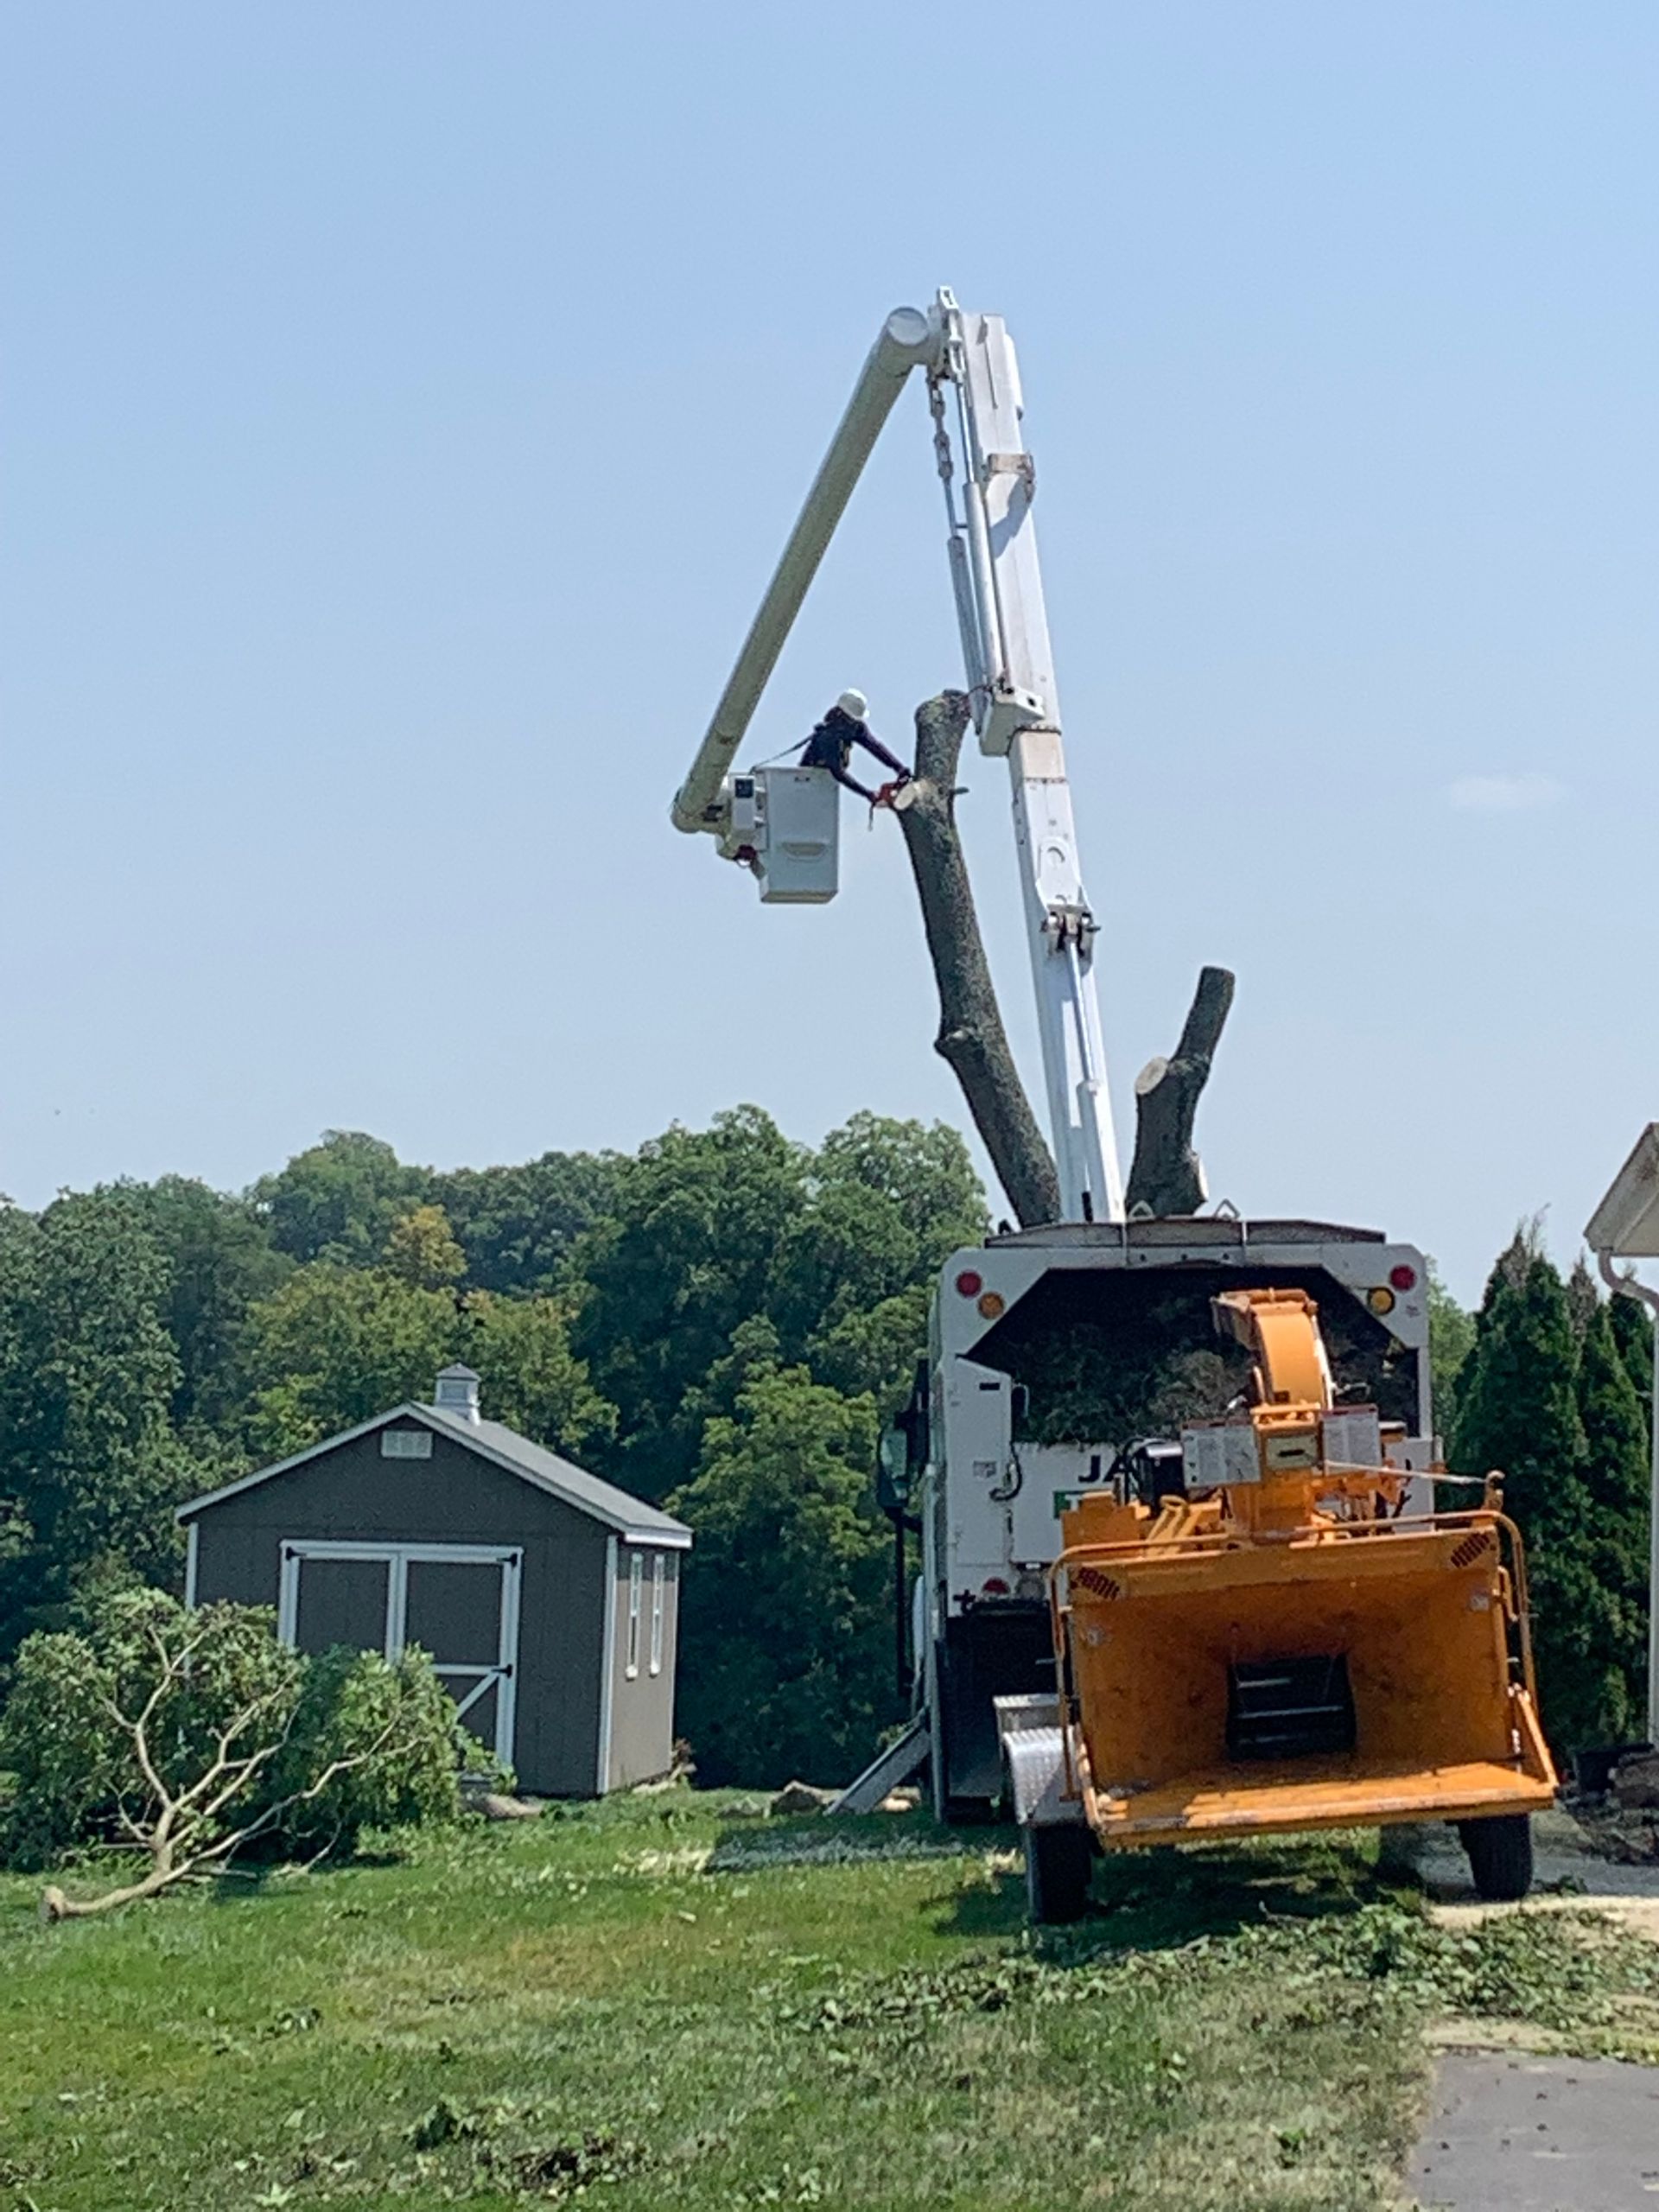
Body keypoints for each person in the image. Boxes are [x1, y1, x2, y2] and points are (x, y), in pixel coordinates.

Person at [799, 690, 911, 807]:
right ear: (842, 716)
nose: (853, 725)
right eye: (851, 720)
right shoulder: (828, 737)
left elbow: (875, 747)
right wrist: (867, 794)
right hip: (808, 781)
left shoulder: (856, 727)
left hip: (827, 782)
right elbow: (837, 772)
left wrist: (898, 767)